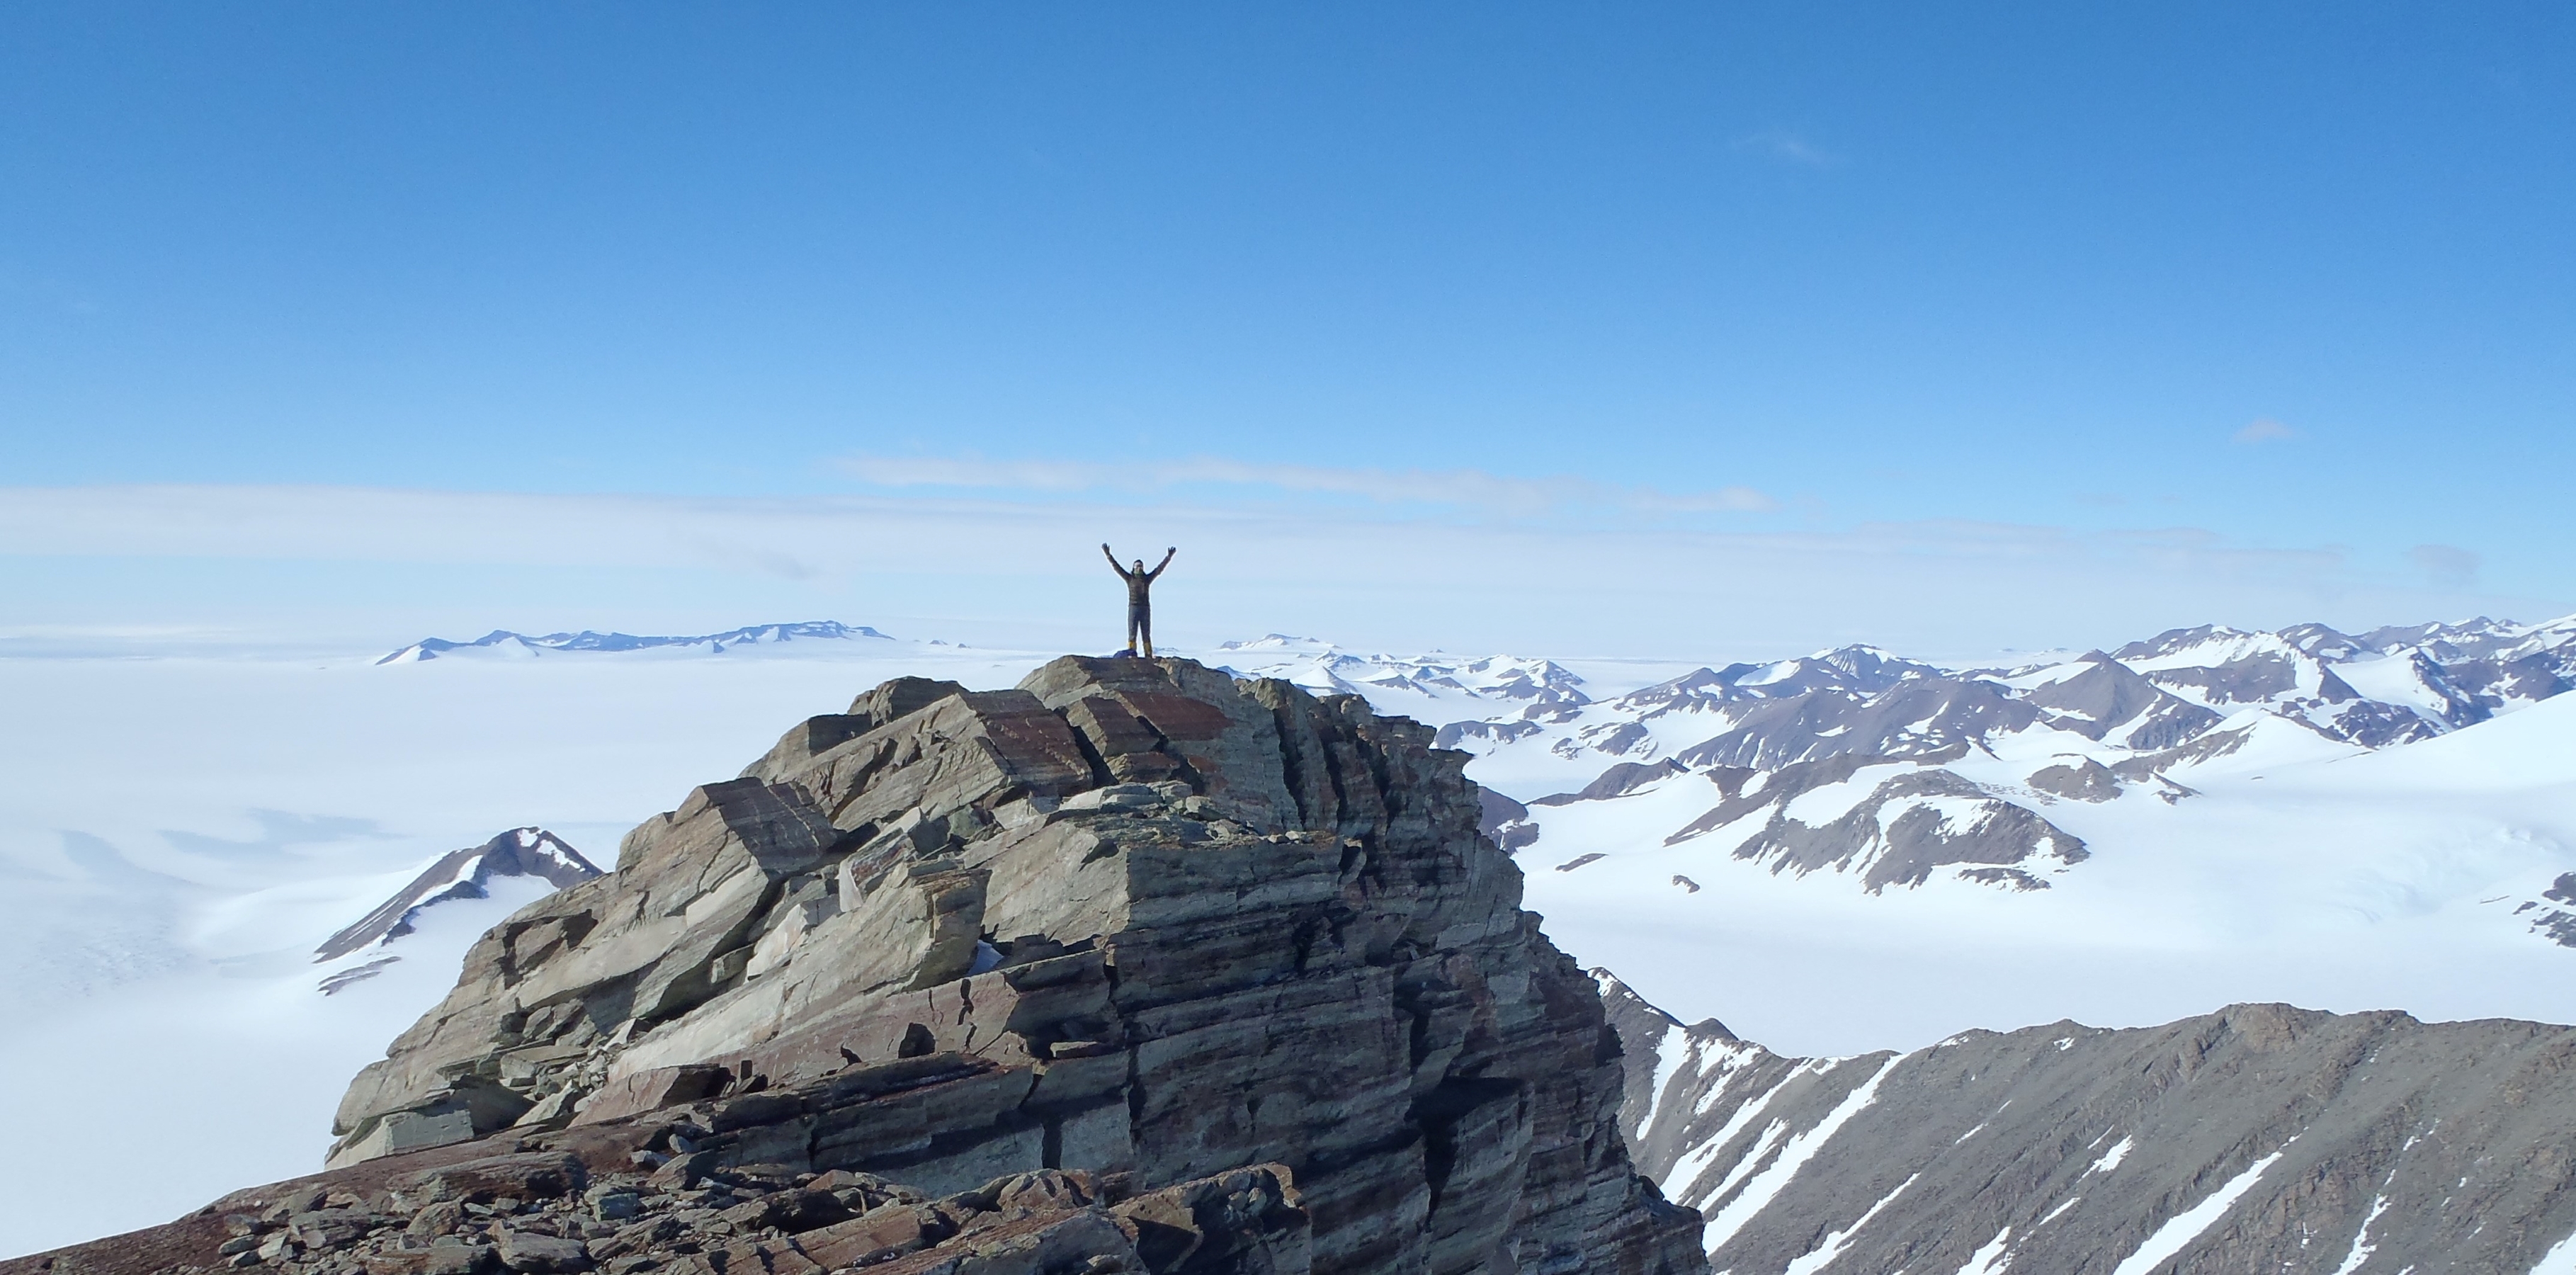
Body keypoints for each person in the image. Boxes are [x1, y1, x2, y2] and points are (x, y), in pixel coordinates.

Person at [1102, 543, 1176, 657]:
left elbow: (1159, 570)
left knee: (1146, 634)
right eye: (1137, 566)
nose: (1139, 568)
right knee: (1132, 634)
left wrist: (1168, 557)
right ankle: (1132, 655)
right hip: (1133, 608)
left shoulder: (1147, 579)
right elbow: (1117, 568)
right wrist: (1108, 555)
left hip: (1145, 609)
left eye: (1141, 566)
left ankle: (1148, 656)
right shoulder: (1129, 578)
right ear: (1133, 568)